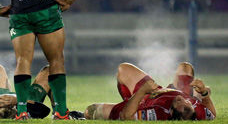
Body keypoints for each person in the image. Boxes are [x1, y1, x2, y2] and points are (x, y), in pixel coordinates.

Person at [84, 62, 216, 120]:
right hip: (160, 90)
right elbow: (212, 114)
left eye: (179, 101)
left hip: (144, 99)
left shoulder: (156, 113)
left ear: (171, 111)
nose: (184, 99)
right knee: (185, 68)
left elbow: (127, 116)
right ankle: (194, 91)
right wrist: (204, 93)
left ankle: (128, 99)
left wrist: (142, 91)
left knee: (90, 111)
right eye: (188, 101)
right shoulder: (197, 112)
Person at [0, 64, 85, 120]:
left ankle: (9, 89)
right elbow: (43, 110)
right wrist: (18, 100)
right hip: (26, 100)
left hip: (0, 98)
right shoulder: (26, 113)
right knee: (50, 71)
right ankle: (58, 112)